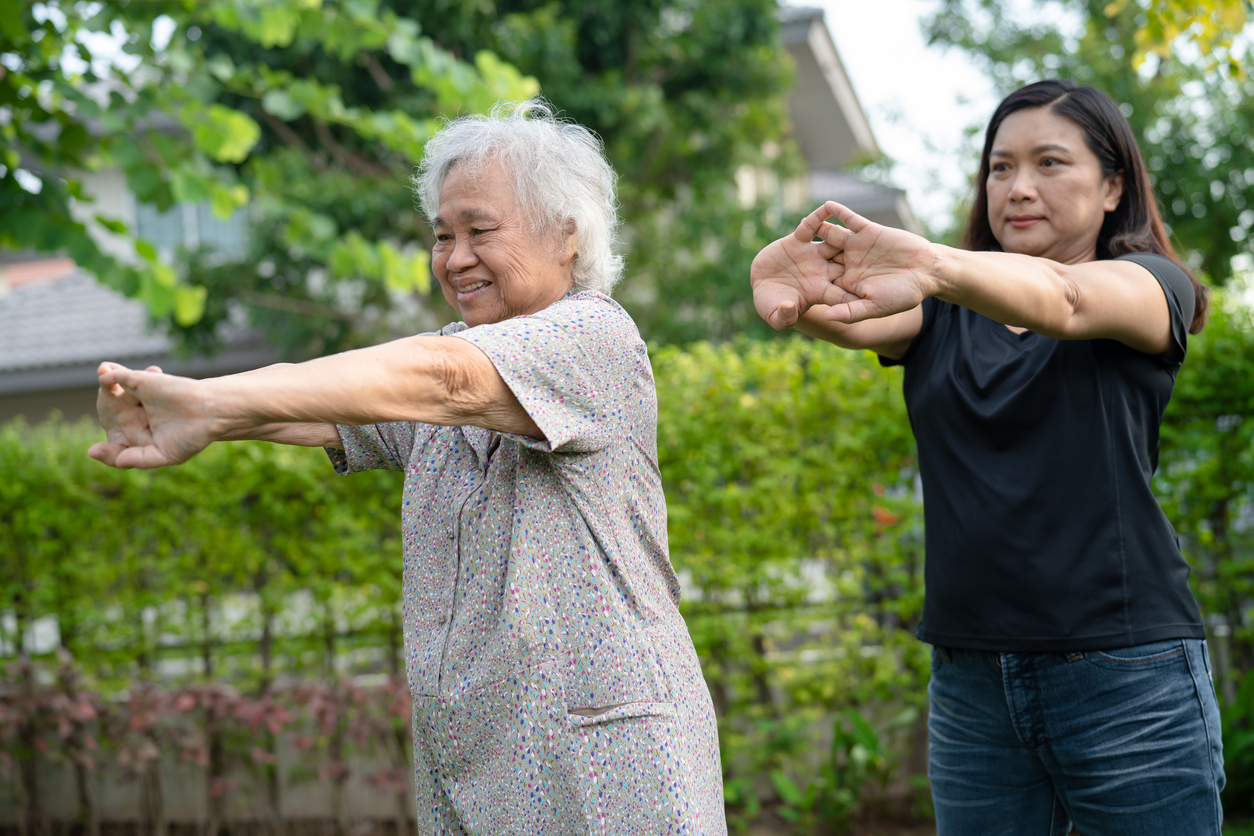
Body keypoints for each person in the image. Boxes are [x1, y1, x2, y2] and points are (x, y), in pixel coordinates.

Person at [89, 101, 726, 836]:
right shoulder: (449, 368)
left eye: (480, 231)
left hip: (605, 763)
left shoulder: (592, 336)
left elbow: (445, 379)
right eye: (442, 236)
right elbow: (328, 411)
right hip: (472, 762)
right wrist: (195, 419)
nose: (455, 258)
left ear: (565, 236)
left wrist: (208, 399)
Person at [749, 79, 1224, 835]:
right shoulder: (939, 315)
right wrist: (787, 286)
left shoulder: (1148, 287)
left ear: (1112, 188)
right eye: (1000, 168)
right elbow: (842, 314)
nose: (1019, 187)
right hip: (972, 685)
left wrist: (938, 265)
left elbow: (1066, 299)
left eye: (1049, 163)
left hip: (1126, 677)